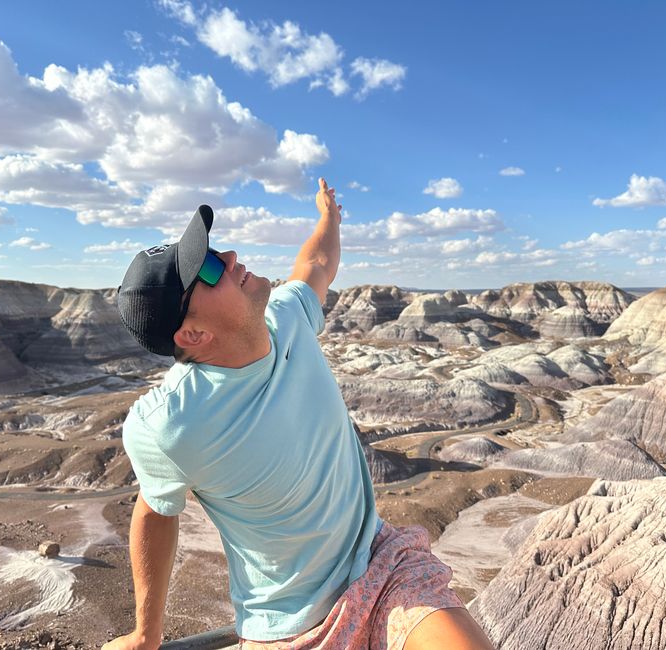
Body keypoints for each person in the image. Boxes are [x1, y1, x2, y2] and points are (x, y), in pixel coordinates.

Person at [103, 179, 495, 650]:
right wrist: (147, 633)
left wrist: (329, 215)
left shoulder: (287, 316)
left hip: (382, 566)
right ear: (192, 335)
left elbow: (317, 262)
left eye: (214, 250)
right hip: (288, 627)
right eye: (206, 268)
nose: (228, 257)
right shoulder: (168, 426)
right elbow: (155, 509)